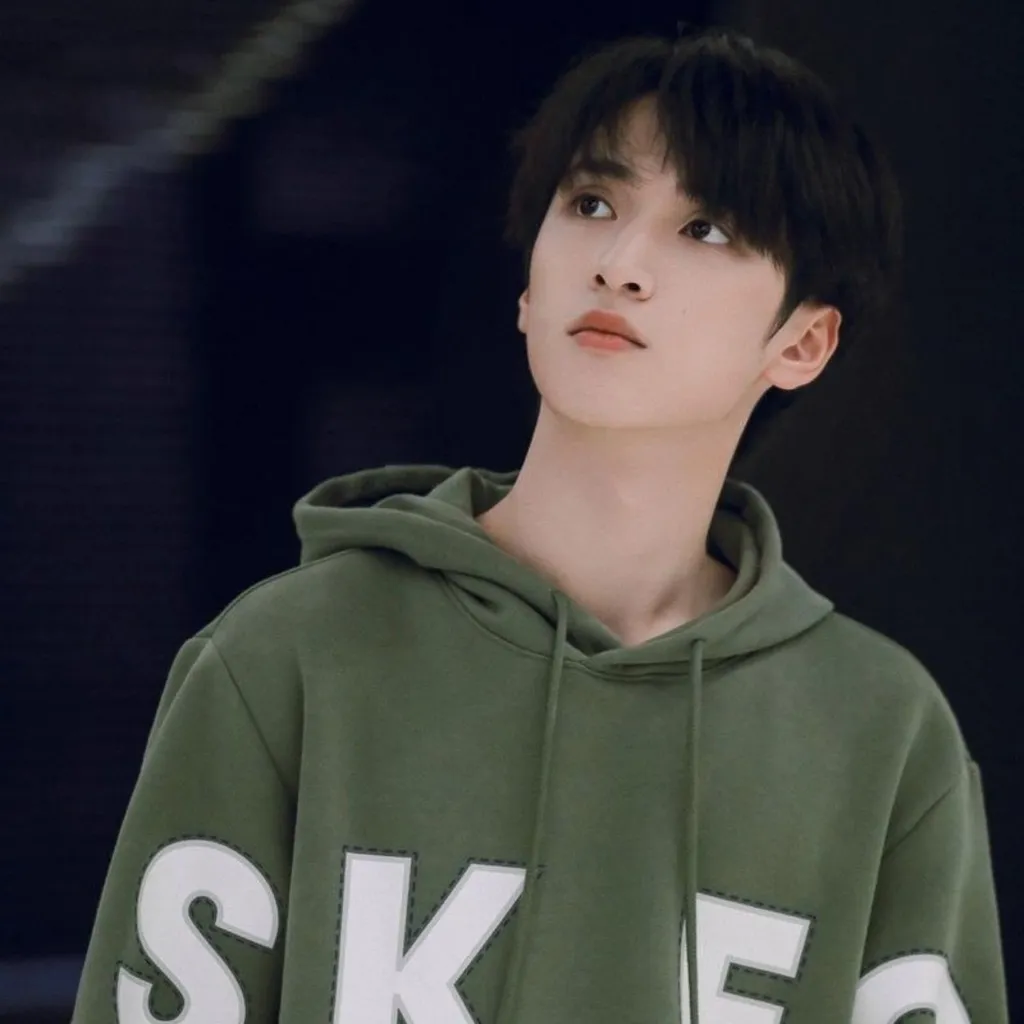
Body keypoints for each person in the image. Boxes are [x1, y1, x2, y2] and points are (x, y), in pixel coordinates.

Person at [72, 25, 1007, 1024]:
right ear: (527, 283)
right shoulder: (288, 659)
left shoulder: (881, 734)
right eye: (592, 204)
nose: (621, 263)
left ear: (803, 343)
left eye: (705, 229)